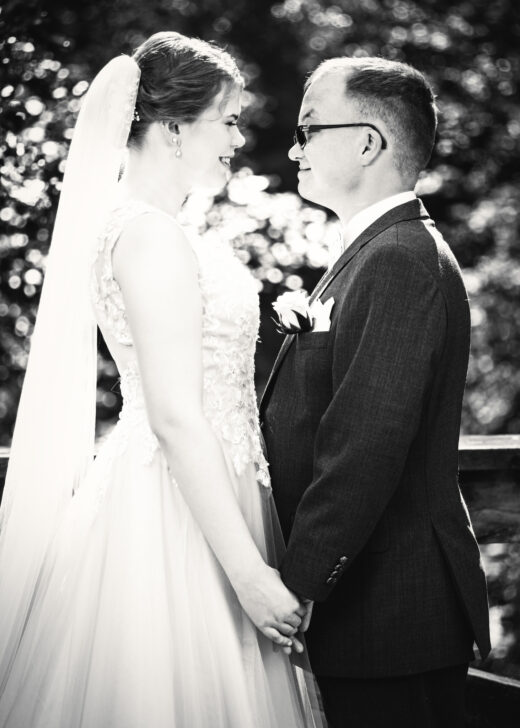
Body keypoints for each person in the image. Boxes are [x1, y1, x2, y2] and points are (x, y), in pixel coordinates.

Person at [0, 32, 323, 728]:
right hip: (171, 514)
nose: (239, 138)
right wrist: (250, 576)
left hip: (209, 491)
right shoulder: (148, 236)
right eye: (227, 120)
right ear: (174, 128)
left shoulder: (163, 229)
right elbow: (175, 415)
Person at [261, 57, 491, 728]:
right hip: (369, 613)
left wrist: (299, 584)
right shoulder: (376, 250)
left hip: (390, 614)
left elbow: (365, 441)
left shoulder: (399, 258)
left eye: (309, 129)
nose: (295, 149)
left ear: (367, 142)